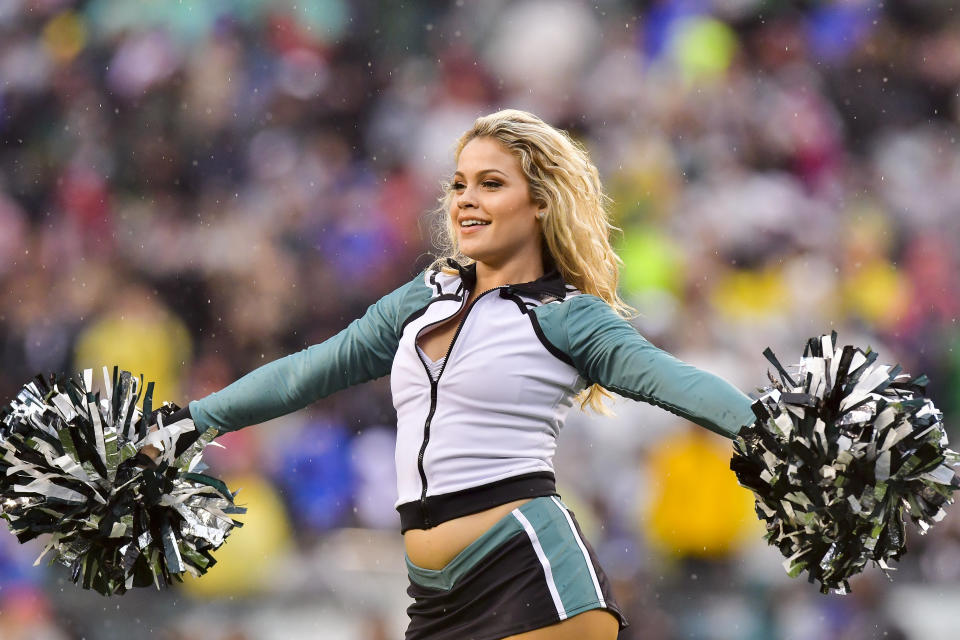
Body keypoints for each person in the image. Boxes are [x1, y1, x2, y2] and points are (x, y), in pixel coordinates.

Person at [143, 109, 756, 639]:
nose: (466, 198)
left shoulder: (567, 316)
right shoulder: (424, 299)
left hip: (525, 566)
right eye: (460, 184)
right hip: (433, 596)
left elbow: (672, 381)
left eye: (492, 184)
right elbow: (311, 370)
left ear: (540, 203)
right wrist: (190, 422)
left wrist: (779, 433)